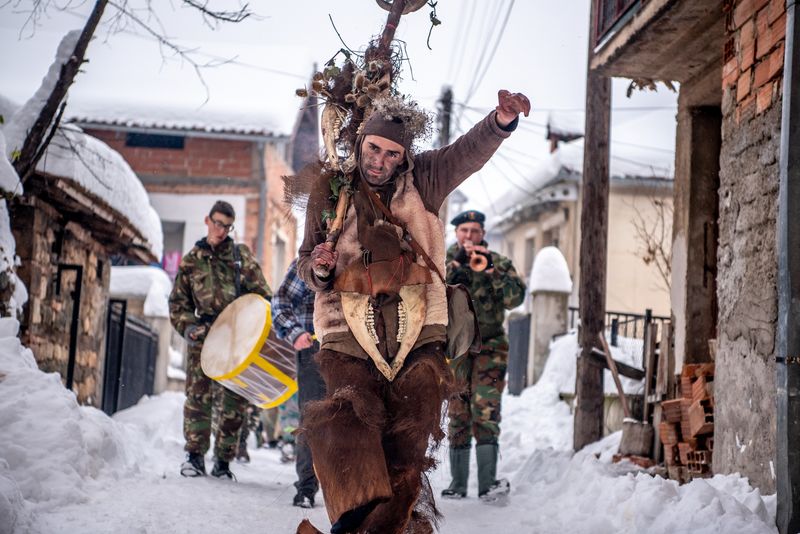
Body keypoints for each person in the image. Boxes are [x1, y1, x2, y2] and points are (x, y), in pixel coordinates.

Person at [297, 90, 530, 533]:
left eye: (392, 153)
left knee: (407, 443)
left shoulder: (424, 179)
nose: (380, 161)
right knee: (348, 426)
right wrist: (320, 268)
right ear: (359, 141)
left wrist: (500, 121)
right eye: (373, 149)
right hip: (346, 330)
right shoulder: (330, 190)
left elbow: (466, 153)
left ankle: (388, 526)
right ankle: (351, 527)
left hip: (419, 329)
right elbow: (306, 259)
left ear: (404, 157)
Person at [169, 200, 272, 479]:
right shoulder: (192, 261)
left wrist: (252, 327)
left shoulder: (240, 258)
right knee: (197, 398)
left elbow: (263, 296)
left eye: (227, 226)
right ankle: (194, 456)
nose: (221, 230)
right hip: (203, 337)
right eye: (217, 223)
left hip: (236, 339)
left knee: (233, 400)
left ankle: (224, 461)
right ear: (207, 220)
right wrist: (189, 327)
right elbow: (178, 304)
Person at [441, 209, 526, 502]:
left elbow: (515, 299)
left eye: (474, 231)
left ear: (483, 234)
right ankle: (458, 484)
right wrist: (453, 269)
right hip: (456, 350)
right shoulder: (443, 263)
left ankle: (488, 483)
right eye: (464, 231)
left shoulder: (498, 262)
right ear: (456, 234)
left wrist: (492, 272)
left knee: (486, 412)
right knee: (457, 414)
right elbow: (430, 297)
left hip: (491, 347)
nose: (469, 236)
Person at [272, 258, 325, 508]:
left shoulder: (359, 256)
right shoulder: (308, 263)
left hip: (353, 351)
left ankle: (351, 489)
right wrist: (295, 332)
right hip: (314, 348)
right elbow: (280, 301)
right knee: (312, 419)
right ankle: (306, 487)